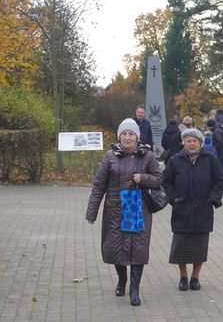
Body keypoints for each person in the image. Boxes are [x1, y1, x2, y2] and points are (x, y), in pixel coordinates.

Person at [86, 118, 162, 306]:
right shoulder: (110, 157)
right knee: (115, 249)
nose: (127, 138)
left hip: (138, 209)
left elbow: (159, 179)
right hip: (115, 210)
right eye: (124, 134)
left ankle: (134, 290)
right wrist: (92, 212)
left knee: (138, 250)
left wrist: (143, 178)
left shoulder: (148, 156)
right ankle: (122, 279)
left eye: (131, 134)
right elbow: (98, 186)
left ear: (137, 137)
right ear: (119, 136)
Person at [162, 128, 223, 292]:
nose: (191, 144)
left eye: (194, 141)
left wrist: (213, 198)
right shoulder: (175, 160)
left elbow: (220, 181)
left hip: (202, 209)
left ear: (200, 143)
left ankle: (195, 277)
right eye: (188, 141)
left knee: (200, 247)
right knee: (180, 248)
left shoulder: (210, 159)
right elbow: (166, 181)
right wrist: (173, 198)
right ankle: (183, 276)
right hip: (181, 209)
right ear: (184, 142)